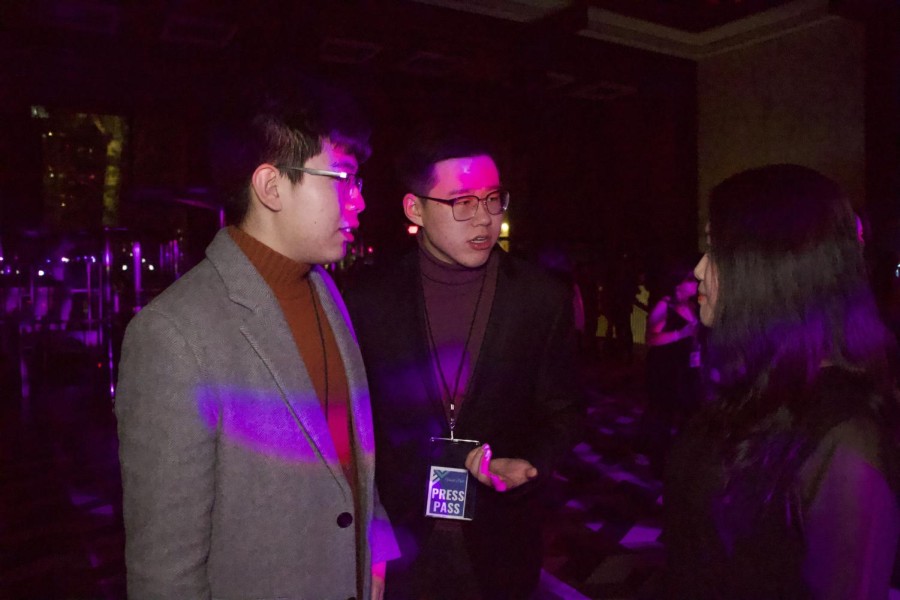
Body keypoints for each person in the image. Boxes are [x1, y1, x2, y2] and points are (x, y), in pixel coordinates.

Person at [115, 78, 398, 599]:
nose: (357, 201)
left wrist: (375, 555)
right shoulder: (172, 335)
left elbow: (349, 457)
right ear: (271, 187)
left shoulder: (325, 291)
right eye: (342, 178)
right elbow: (164, 571)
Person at [344, 133, 583, 599]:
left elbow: (565, 410)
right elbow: (349, 424)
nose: (485, 219)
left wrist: (531, 462)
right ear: (415, 210)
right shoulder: (365, 299)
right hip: (398, 538)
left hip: (499, 538)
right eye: (462, 202)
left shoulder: (539, 298)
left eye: (494, 200)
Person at [665, 164, 900, 598]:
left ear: (771, 267)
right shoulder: (753, 386)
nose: (698, 269)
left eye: (716, 250)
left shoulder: (845, 438)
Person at [640, 260, 701, 478]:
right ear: (678, 284)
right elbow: (651, 338)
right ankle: (657, 464)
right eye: (691, 280)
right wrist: (679, 335)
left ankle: (682, 461)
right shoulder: (664, 305)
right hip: (664, 369)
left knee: (688, 413)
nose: (696, 284)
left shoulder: (692, 306)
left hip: (685, 369)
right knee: (662, 415)